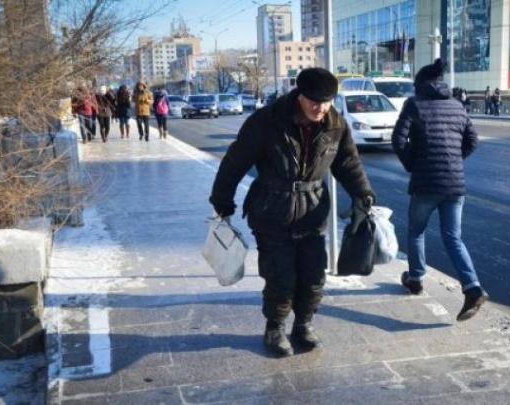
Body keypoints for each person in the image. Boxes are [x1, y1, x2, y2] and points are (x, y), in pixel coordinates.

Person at [209, 67, 376, 357]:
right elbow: (234, 162)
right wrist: (222, 200)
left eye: (327, 102)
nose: (320, 108)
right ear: (299, 95)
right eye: (314, 101)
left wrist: (363, 194)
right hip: (271, 210)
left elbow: (348, 162)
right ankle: (274, 328)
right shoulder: (267, 121)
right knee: (281, 274)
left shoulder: (335, 124)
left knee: (313, 274)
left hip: (312, 211)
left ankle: (304, 325)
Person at [391, 58, 488, 322]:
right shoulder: (457, 106)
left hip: (425, 184)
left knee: (416, 231)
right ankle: (473, 288)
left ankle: (416, 279)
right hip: (455, 184)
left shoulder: (414, 104)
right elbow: (472, 141)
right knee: (453, 237)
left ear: (420, 85)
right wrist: (454, 162)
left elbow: (398, 140)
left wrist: (414, 164)